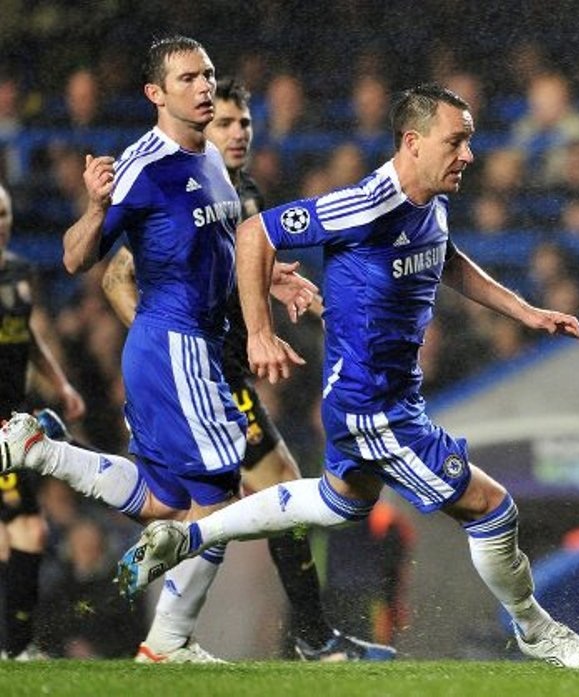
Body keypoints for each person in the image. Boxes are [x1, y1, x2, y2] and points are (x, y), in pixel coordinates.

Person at [115, 83, 579, 669]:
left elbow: (445, 255)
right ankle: (538, 632)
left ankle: (189, 536)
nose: (468, 155)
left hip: (383, 401)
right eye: (456, 141)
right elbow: (256, 234)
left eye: (470, 142)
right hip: (373, 408)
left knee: (336, 503)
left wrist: (525, 312)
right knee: (492, 508)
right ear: (413, 141)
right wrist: (257, 331)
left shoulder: (433, 199)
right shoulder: (366, 204)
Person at [0, 35, 295, 664]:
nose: (204, 86)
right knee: (219, 500)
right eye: (188, 78)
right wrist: (96, 204)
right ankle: (167, 642)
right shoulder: (143, 165)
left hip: (192, 348)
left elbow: (221, 249)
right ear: (155, 94)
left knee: (164, 500)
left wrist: (274, 277)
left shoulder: (210, 158)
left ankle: (42, 452)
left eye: (209, 74)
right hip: (174, 345)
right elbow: (76, 258)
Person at [99, 77, 391, 661]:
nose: (236, 133)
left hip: (225, 376)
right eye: (225, 123)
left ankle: (292, 636)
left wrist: (306, 302)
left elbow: (254, 275)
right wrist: (172, 349)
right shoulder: (183, 187)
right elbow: (114, 277)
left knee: (213, 501)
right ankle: (286, 638)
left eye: (245, 124)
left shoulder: (247, 193)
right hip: (195, 376)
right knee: (221, 501)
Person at [0, 181, 86, 660]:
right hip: (2, 430)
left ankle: (15, 647)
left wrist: (61, 384)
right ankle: (17, 647)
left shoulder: (18, 272)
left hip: (15, 418)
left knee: (15, 535)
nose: (2, 223)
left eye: (5, 213)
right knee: (28, 529)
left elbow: (26, 337)